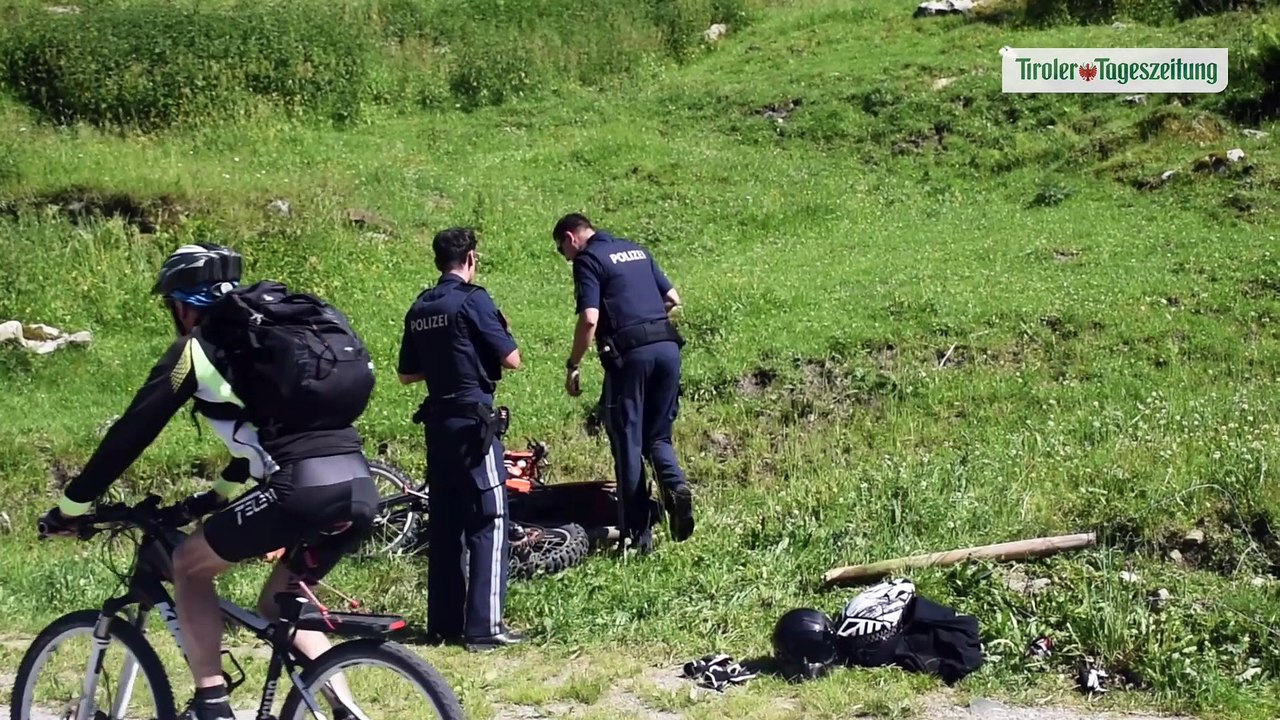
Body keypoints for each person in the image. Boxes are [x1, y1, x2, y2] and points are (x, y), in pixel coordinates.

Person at [36, 243, 381, 720]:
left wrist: (70, 509)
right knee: (277, 604)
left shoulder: (195, 351)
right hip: (360, 488)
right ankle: (346, 712)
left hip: (299, 490)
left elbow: (129, 435)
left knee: (189, 566)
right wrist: (212, 498)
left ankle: (213, 704)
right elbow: (253, 444)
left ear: (181, 305)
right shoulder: (257, 350)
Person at [397, 226, 524, 651]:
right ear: (470, 258)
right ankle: (485, 627)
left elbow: (407, 374)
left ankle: (443, 625)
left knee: (447, 524)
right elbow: (512, 359)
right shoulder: (475, 300)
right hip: (474, 424)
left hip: (438, 425)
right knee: (490, 517)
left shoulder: (420, 307)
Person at [552, 212, 695, 554]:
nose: (566, 257)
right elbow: (673, 299)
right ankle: (675, 487)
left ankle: (637, 536)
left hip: (630, 357)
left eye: (562, 250)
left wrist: (573, 364)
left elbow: (589, 318)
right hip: (668, 348)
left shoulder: (588, 259)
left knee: (627, 442)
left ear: (572, 238)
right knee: (657, 435)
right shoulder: (637, 250)